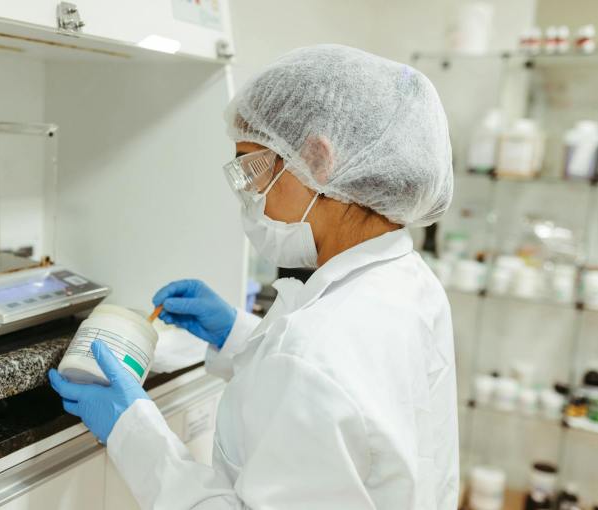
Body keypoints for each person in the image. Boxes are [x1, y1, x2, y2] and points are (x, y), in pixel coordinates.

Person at [49, 44, 458, 509]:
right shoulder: (409, 282)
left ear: (319, 160)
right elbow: (357, 422)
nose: (249, 194)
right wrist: (241, 338)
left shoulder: (315, 351)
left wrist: (133, 431)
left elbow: (316, 378)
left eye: (252, 167)